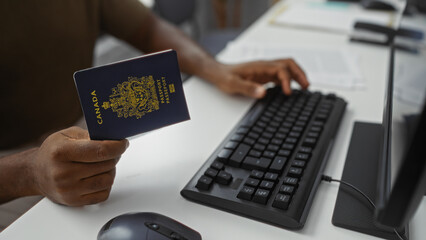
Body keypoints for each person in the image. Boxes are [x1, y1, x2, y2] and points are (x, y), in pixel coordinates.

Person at [0, 0, 308, 229]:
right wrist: (29, 172)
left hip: (79, 127)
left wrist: (216, 69)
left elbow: (147, 28)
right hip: (12, 170)